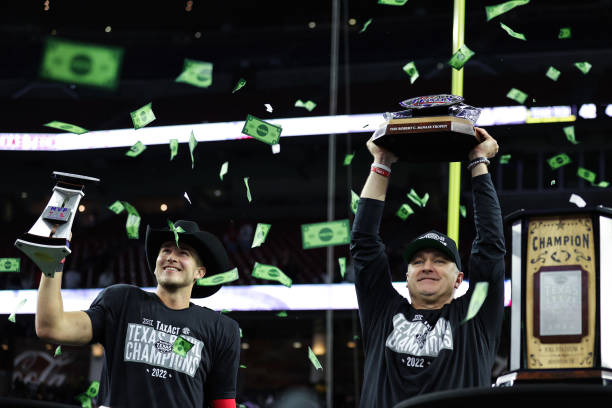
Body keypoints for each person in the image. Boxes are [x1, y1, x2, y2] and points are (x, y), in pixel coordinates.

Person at [351, 127, 505, 407]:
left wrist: (478, 161)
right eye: (418, 261)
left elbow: (491, 248)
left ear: (459, 278)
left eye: (440, 260)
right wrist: (381, 162)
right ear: (406, 276)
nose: (427, 267)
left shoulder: (476, 317)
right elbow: (363, 244)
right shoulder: (382, 312)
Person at [35, 220, 241, 408]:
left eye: (183, 252)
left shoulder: (221, 328)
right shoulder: (122, 301)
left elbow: (223, 401)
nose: (171, 257)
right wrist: (53, 259)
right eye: (166, 250)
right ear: (155, 265)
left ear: (200, 272)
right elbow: (51, 327)